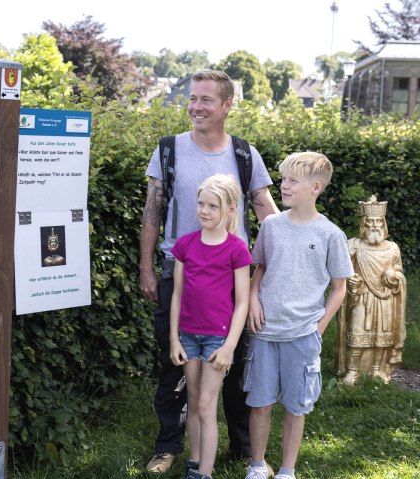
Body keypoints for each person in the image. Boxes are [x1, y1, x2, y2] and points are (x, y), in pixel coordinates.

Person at [140, 69, 278, 474]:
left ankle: (242, 446)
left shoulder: (243, 154)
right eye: (193, 98)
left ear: (227, 105)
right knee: (174, 365)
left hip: (231, 277)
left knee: (233, 363)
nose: (196, 107)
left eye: (206, 100)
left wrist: (281, 263)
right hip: (177, 272)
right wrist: (147, 267)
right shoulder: (168, 151)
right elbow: (152, 214)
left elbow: (266, 213)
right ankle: (168, 447)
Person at [244, 152, 353, 479]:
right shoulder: (271, 226)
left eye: (292, 180)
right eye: (284, 178)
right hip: (264, 331)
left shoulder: (330, 234)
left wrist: (318, 328)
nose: (283, 185)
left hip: (303, 336)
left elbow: (339, 287)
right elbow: (260, 267)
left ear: (315, 187)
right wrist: (252, 299)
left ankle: (287, 470)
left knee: (296, 405)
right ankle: (257, 466)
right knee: (259, 403)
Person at [170, 174, 251, 479]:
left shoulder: (236, 250)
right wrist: (175, 340)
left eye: (213, 206)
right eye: (201, 203)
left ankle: (205, 472)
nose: (204, 210)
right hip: (188, 336)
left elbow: (242, 302)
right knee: (193, 401)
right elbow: (177, 294)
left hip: (217, 338)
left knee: (206, 404)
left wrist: (230, 346)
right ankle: (194, 460)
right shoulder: (185, 245)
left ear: (230, 209)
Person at [337, 196, 407, 385]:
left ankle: (377, 370)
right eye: (371, 222)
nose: (375, 226)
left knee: (382, 335)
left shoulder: (392, 248)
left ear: (383, 224)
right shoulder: (354, 245)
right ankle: (352, 372)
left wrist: (394, 277)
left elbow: (399, 273)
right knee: (357, 332)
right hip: (361, 297)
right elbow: (342, 271)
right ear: (363, 224)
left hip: (385, 298)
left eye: (378, 222)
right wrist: (350, 280)